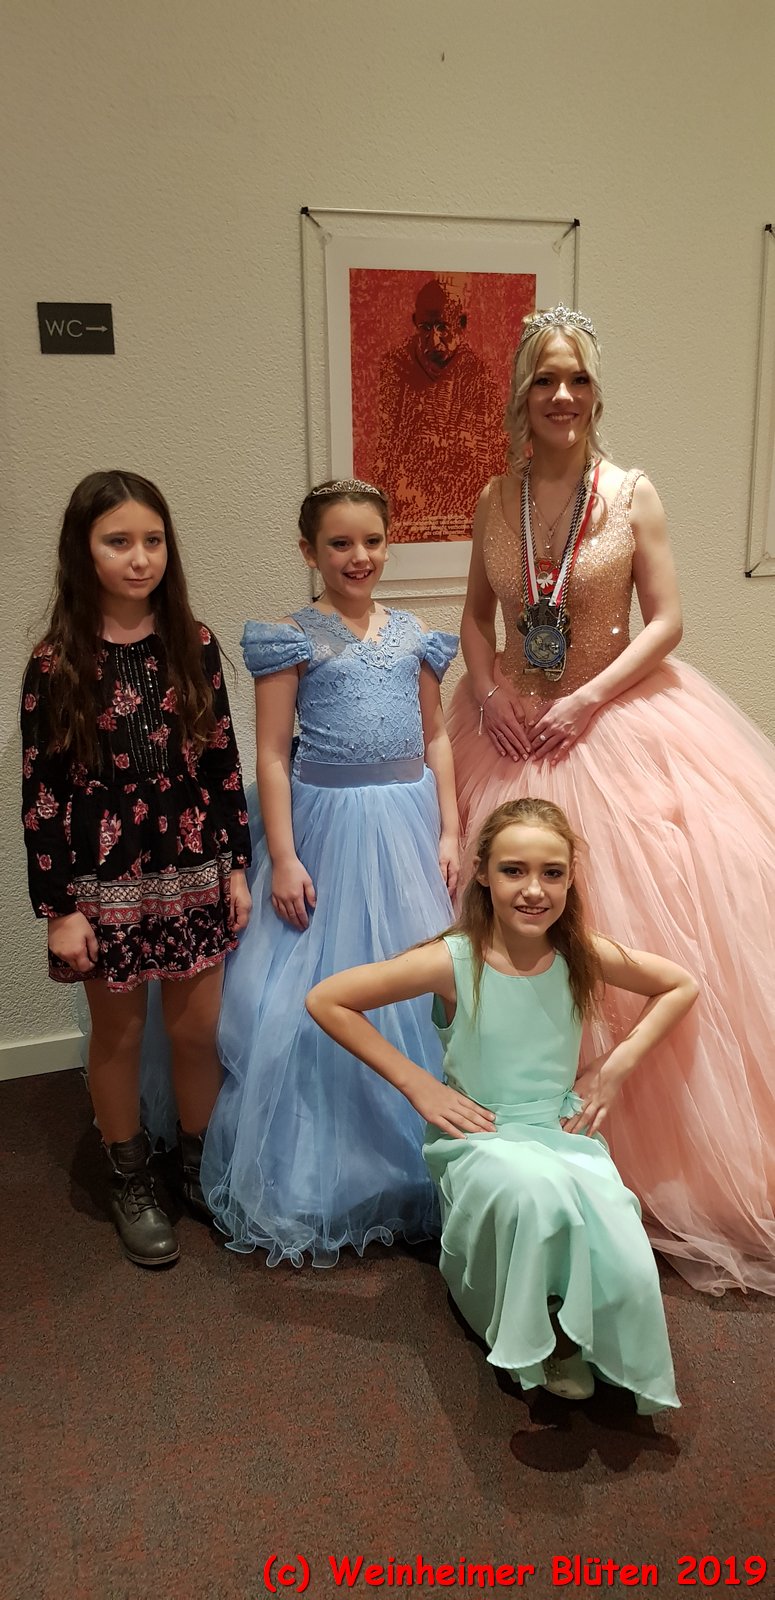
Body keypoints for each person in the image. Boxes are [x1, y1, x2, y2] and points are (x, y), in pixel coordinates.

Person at [447, 304, 775, 1296]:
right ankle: (519, 1138)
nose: (562, 395)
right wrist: (489, 692)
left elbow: (665, 621)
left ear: (595, 393)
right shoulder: (493, 498)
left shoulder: (632, 493)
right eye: (545, 378)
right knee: (499, 922)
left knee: (635, 922)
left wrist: (588, 698)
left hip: (613, 721)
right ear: (521, 393)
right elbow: (473, 619)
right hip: (510, 729)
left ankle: (635, 1161)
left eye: (578, 379)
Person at [308, 798, 696, 1413]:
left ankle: (577, 1319)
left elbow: (680, 984)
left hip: (559, 1131)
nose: (534, 890)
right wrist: (418, 1085)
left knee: (613, 1218)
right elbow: (328, 999)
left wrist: (613, 1068)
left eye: (552, 873)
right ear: (484, 873)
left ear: (570, 879)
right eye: (514, 870)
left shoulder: (580, 953)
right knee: (535, 1191)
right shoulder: (453, 960)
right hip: (480, 1137)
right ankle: (532, 1325)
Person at [202, 478, 460, 1266]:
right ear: (308, 550)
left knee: (413, 982)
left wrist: (451, 828)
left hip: (406, 823)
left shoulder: (415, 635)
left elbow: (436, 739)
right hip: (324, 828)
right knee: (317, 979)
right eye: (339, 543)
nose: (358, 556)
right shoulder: (289, 639)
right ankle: (329, 1167)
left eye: (372, 541)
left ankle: (420, 1157)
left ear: (388, 543)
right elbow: (272, 755)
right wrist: (284, 857)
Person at [20, 471, 252, 1268]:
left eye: (152, 540)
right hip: (104, 878)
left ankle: (197, 1162)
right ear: (82, 551)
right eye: (118, 541)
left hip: (191, 863)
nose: (139, 557)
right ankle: (129, 1177)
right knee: (118, 1037)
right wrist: (59, 908)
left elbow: (222, 763)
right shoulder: (56, 662)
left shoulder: (195, 643)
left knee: (195, 1030)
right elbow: (41, 792)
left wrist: (236, 866)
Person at [371, 276, 506, 542]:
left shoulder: (478, 375)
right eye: (425, 327)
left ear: (462, 324)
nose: (434, 340)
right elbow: (384, 448)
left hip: (463, 515)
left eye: (443, 327)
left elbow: (493, 458)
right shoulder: (395, 368)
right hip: (408, 511)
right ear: (415, 322)